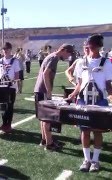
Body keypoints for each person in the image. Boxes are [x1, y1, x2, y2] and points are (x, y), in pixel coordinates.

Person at [67, 34, 112, 172]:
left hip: (99, 101)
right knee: (85, 130)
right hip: (83, 100)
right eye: (89, 45)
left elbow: (108, 85)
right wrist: (72, 95)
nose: (91, 48)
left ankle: (95, 160)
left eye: (93, 45)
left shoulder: (106, 63)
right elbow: (79, 84)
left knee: (98, 131)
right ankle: (86, 160)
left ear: (99, 46)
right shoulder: (81, 62)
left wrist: (111, 95)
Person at [34, 43, 75, 150]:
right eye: (68, 54)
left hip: (39, 90)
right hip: (43, 90)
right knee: (47, 118)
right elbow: (46, 74)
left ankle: (45, 140)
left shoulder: (51, 56)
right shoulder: (54, 58)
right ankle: (49, 144)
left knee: (43, 118)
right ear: (64, 50)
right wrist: (48, 91)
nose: (67, 57)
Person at [0, 42, 20, 133]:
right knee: (2, 106)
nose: (5, 51)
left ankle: (8, 124)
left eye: (7, 49)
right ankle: (4, 123)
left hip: (11, 87)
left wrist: (14, 82)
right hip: (2, 86)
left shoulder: (15, 61)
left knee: (10, 106)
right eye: (4, 49)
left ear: (10, 49)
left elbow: (17, 74)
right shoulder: (0, 61)